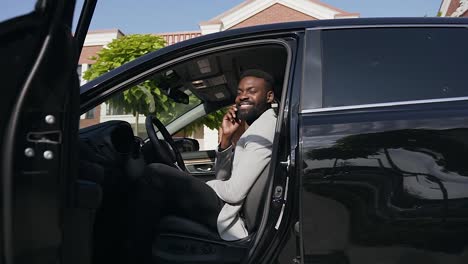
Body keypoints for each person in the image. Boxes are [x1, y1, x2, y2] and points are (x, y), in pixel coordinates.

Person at [128, 69, 277, 263]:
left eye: (251, 91)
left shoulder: (264, 129)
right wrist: (225, 140)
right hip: (228, 205)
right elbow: (225, 177)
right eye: (239, 92)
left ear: (269, 96)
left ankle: (130, 253)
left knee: (156, 174)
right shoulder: (257, 127)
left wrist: (204, 185)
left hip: (230, 214)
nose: (242, 97)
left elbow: (233, 192)